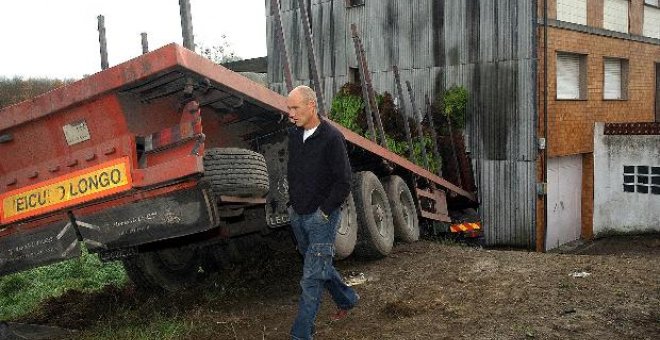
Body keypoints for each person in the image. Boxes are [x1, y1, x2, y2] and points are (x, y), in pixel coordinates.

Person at [286, 85, 359, 340]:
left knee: (311, 279)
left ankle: (300, 335)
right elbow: (294, 173)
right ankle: (347, 298)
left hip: (321, 218)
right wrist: (292, 205)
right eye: (288, 109)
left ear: (311, 106)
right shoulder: (294, 136)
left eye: (295, 108)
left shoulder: (331, 138)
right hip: (298, 215)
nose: (290, 114)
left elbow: (344, 182)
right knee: (319, 266)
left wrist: (324, 212)